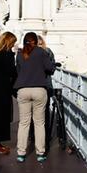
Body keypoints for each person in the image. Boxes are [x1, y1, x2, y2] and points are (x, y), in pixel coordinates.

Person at [14, 32, 56, 162]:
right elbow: (50, 68)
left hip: (23, 90)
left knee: (24, 123)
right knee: (39, 123)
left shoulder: (20, 54)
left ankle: (21, 153)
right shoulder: (41, 52)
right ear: (36, 42)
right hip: (39, 89)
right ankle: (40, 153)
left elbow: (18, 71)